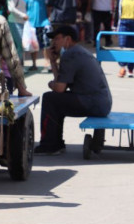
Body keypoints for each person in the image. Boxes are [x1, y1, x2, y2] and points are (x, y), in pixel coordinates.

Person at [34, 25, 113, 155]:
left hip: (93, 102)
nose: (54, 42)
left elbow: (59, 88)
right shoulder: (79, 51)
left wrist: (51, 84)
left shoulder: (70, 55)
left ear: (68, 39)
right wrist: (53, 62)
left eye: (57, 39)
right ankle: (55, 144)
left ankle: (50, 144)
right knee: (56, 101)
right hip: (101, 102)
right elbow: (61, 83)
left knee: (49, 98)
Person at [21, 0, 51, 72]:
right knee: (32, 46)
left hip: (44, 22)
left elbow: (48, 5)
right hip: (30, 24)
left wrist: (49, 17)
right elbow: (22, 9)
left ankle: (48, 63)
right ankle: (34, 64)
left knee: (46, 44)